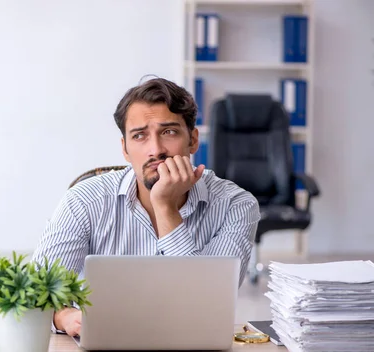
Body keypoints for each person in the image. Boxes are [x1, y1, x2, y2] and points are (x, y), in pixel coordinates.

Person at [32, 77, 260, 337]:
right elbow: (37, 292)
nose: (156, 150)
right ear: (125, 150)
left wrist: (165, 207)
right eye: (140, 136)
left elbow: (208, 302)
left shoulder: (236, 205)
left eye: (169, 132)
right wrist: (64, 317)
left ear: (193, 140)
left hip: (194, 350)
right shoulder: (84, 201)